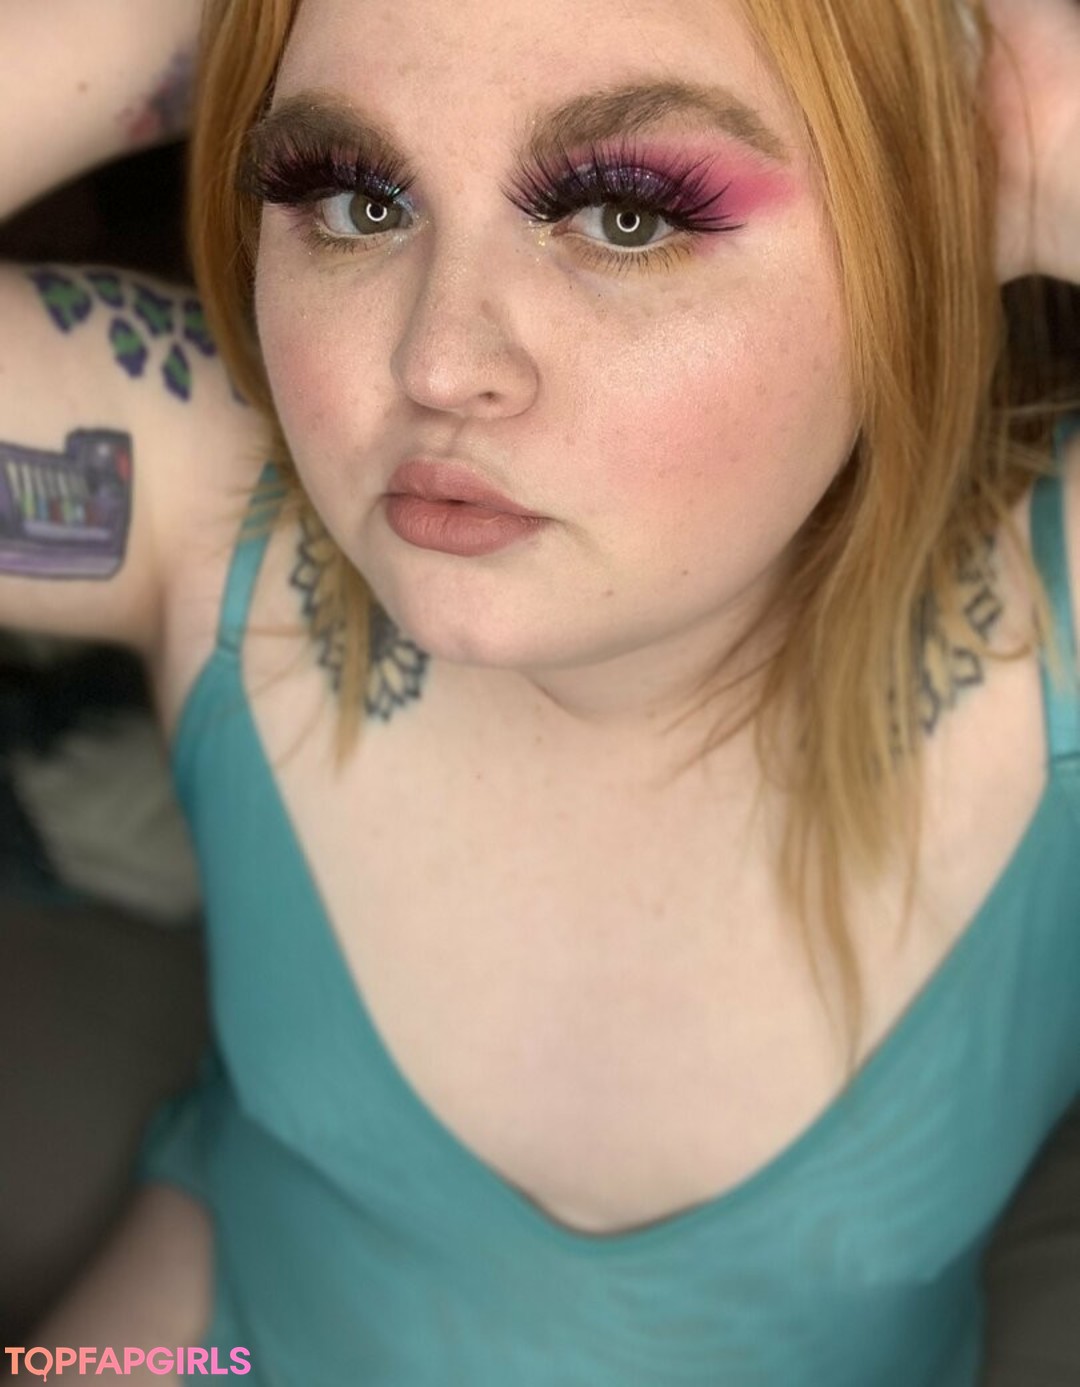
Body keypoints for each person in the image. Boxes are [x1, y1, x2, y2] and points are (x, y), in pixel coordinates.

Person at [0, 0, 1078, 1383]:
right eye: (358, 196)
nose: (438, 364)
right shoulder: (212, 506)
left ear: (916, 227)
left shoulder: (1052, 646)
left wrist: (1035, 141)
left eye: (627, 216)